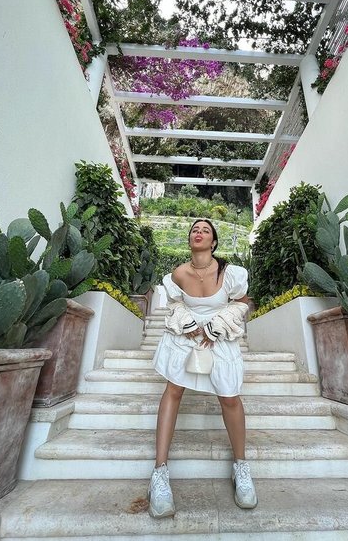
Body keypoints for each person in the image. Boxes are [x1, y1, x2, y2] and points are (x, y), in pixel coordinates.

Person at [147, 218, 258, 518]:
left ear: (213, 242)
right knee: (173, 390)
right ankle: (159, 472)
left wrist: (218, 325)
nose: (199, 232)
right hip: (187, 336)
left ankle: (241, 467)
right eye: (195, 230)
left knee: (230, 398)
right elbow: (175, 304)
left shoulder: (229, 272)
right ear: (189, 239)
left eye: (205, 230)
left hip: (218, 337)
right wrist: (187, 323)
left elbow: (243, 302)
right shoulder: (178, 273)